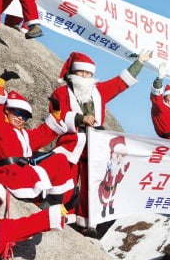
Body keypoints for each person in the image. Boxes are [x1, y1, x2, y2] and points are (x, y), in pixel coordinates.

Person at [44, 49, 151, 220]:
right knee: (66, 181)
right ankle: (63, 216)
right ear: (73, 73)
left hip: (95, 143)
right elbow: (56, 115)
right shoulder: (61, 93)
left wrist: (140, 62)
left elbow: (120, 82)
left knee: (92, 184)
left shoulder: (98, 91)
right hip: (71, 142)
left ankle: (86, 221)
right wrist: (80, 118)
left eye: (88, 73)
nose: (85, 76)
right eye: (82, 72)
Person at [0, 68, 70, 201]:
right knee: (34, 178)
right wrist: (0, 84)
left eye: (25, 116)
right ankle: (46, 202)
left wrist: (56, 114)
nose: (20, 118)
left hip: (26, 172)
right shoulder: (0, 127)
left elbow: (43, 133)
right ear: (7, 110)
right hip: (9, 173)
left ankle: (57, 202)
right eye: (17, 112)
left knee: (60, 159)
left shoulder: (25, 135)